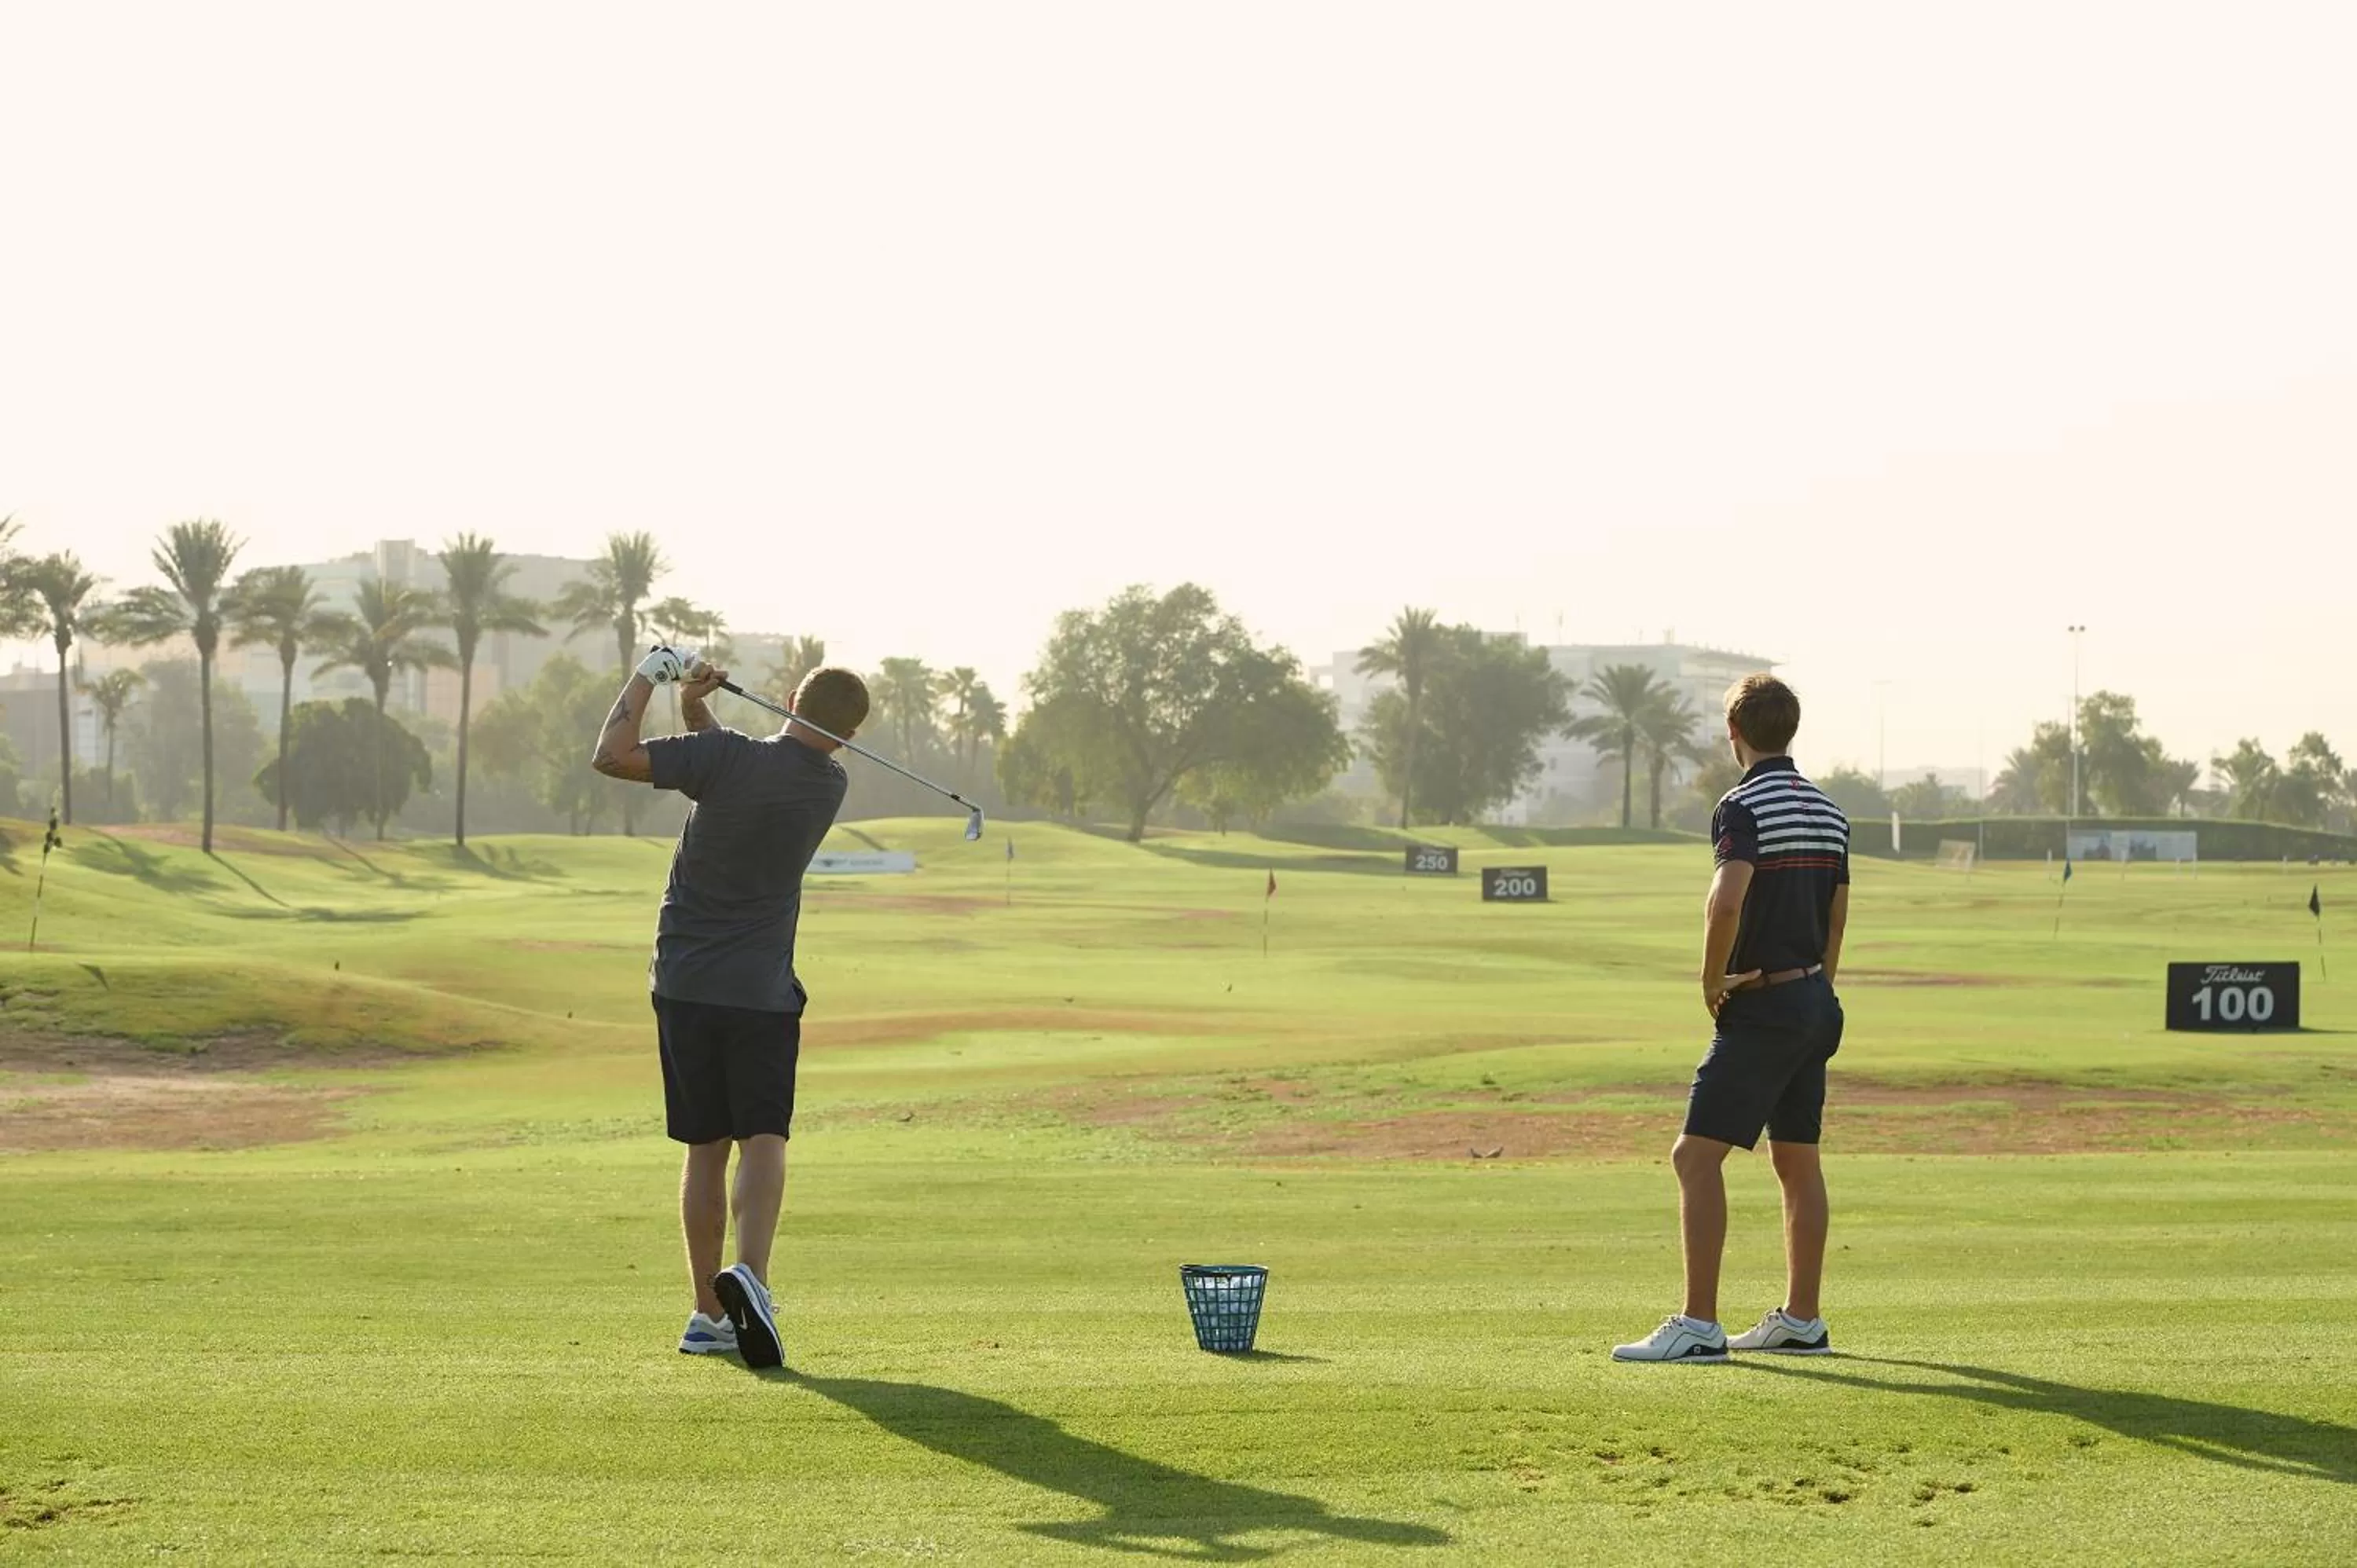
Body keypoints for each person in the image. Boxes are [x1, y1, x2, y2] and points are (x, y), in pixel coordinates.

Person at [591, 643, 871, 1368]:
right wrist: (694, 708)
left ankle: (706, 1312)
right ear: (850, 734)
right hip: (760, 994)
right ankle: (754, 1276)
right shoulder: (827, 785)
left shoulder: (728, 761)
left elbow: (611, 755)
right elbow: (736, 763)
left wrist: (654, 676)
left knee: (705, 1149)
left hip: (682, 982)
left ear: (788, 698)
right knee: (764, 1138)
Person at [1613, 673, 1849, 1364]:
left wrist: (1712, 980)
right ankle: (1801, 1320)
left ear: (1734, 734)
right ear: (1791, 730)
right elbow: (1836, 915)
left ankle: (1698, 1325)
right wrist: (1816, 993)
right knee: (1797, 1161)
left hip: (1766, 1004)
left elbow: (1726, 902)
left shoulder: (1741, 806)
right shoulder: (1830, 810)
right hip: (1814, 1000)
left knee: (1694, 1157)